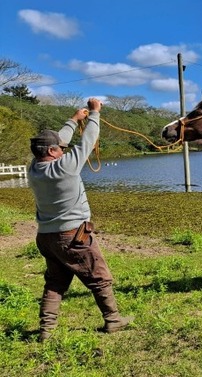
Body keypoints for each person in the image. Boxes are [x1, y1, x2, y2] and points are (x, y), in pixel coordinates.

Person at [28, 98, 133, 342]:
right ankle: (113, 320)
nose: (64, 150)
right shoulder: (65, 167)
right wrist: (95, 114)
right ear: (53, 152)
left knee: (55, 282)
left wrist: (74, 120)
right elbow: (89, 141)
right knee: (99, 277)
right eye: (61, 148)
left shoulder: (32, 168)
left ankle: (46, 330)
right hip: (73, 235)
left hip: (46, 236)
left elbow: (59, 140)